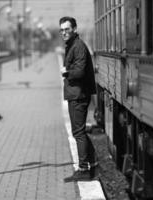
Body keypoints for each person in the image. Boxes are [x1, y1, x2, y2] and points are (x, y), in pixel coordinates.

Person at [59, 16, 97, 182]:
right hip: (75, 93)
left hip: (78, 94)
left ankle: (83, 169)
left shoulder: (78, 46)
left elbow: (80, 72)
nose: (64, 32)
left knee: (79, 132)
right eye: (61, 30)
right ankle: (93, 163)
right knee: (79, 132)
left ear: (74, 29)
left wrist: (66, 72)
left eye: (67, 29)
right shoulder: (73, 45)